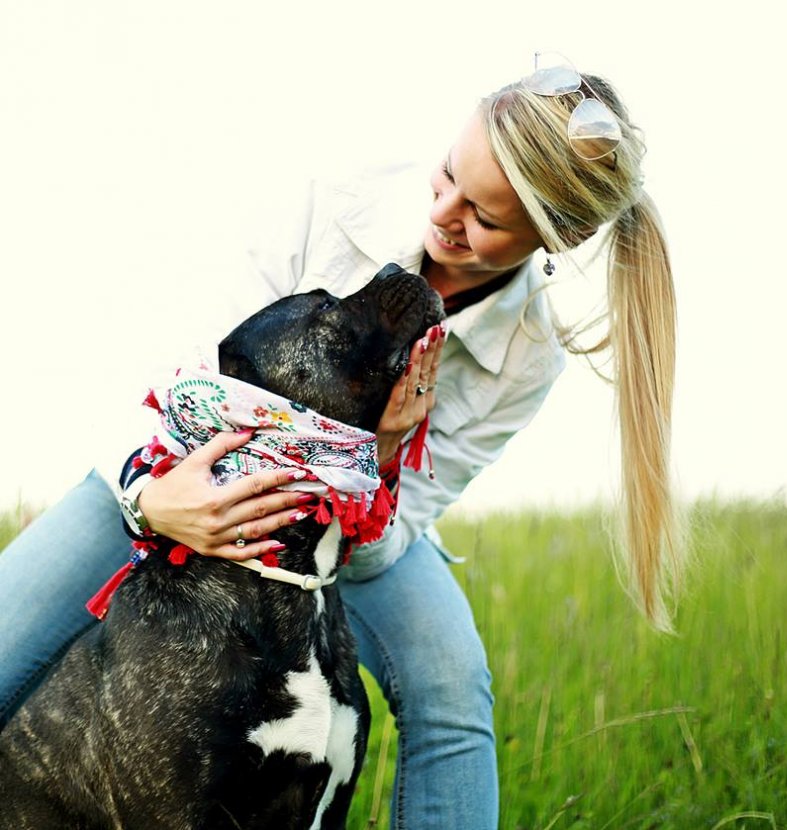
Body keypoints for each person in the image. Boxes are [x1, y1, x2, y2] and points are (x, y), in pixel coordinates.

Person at [0, 56, 678, 828]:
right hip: (168, 469)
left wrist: (377, 457)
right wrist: (153, 501)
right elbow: (176, 378)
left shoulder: (525, 359)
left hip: (357, 527)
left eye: (485, 219)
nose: (443, 214)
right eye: (447, 176)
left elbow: (393, 534)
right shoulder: (331, 203)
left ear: (562, 235)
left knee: (452, 688)